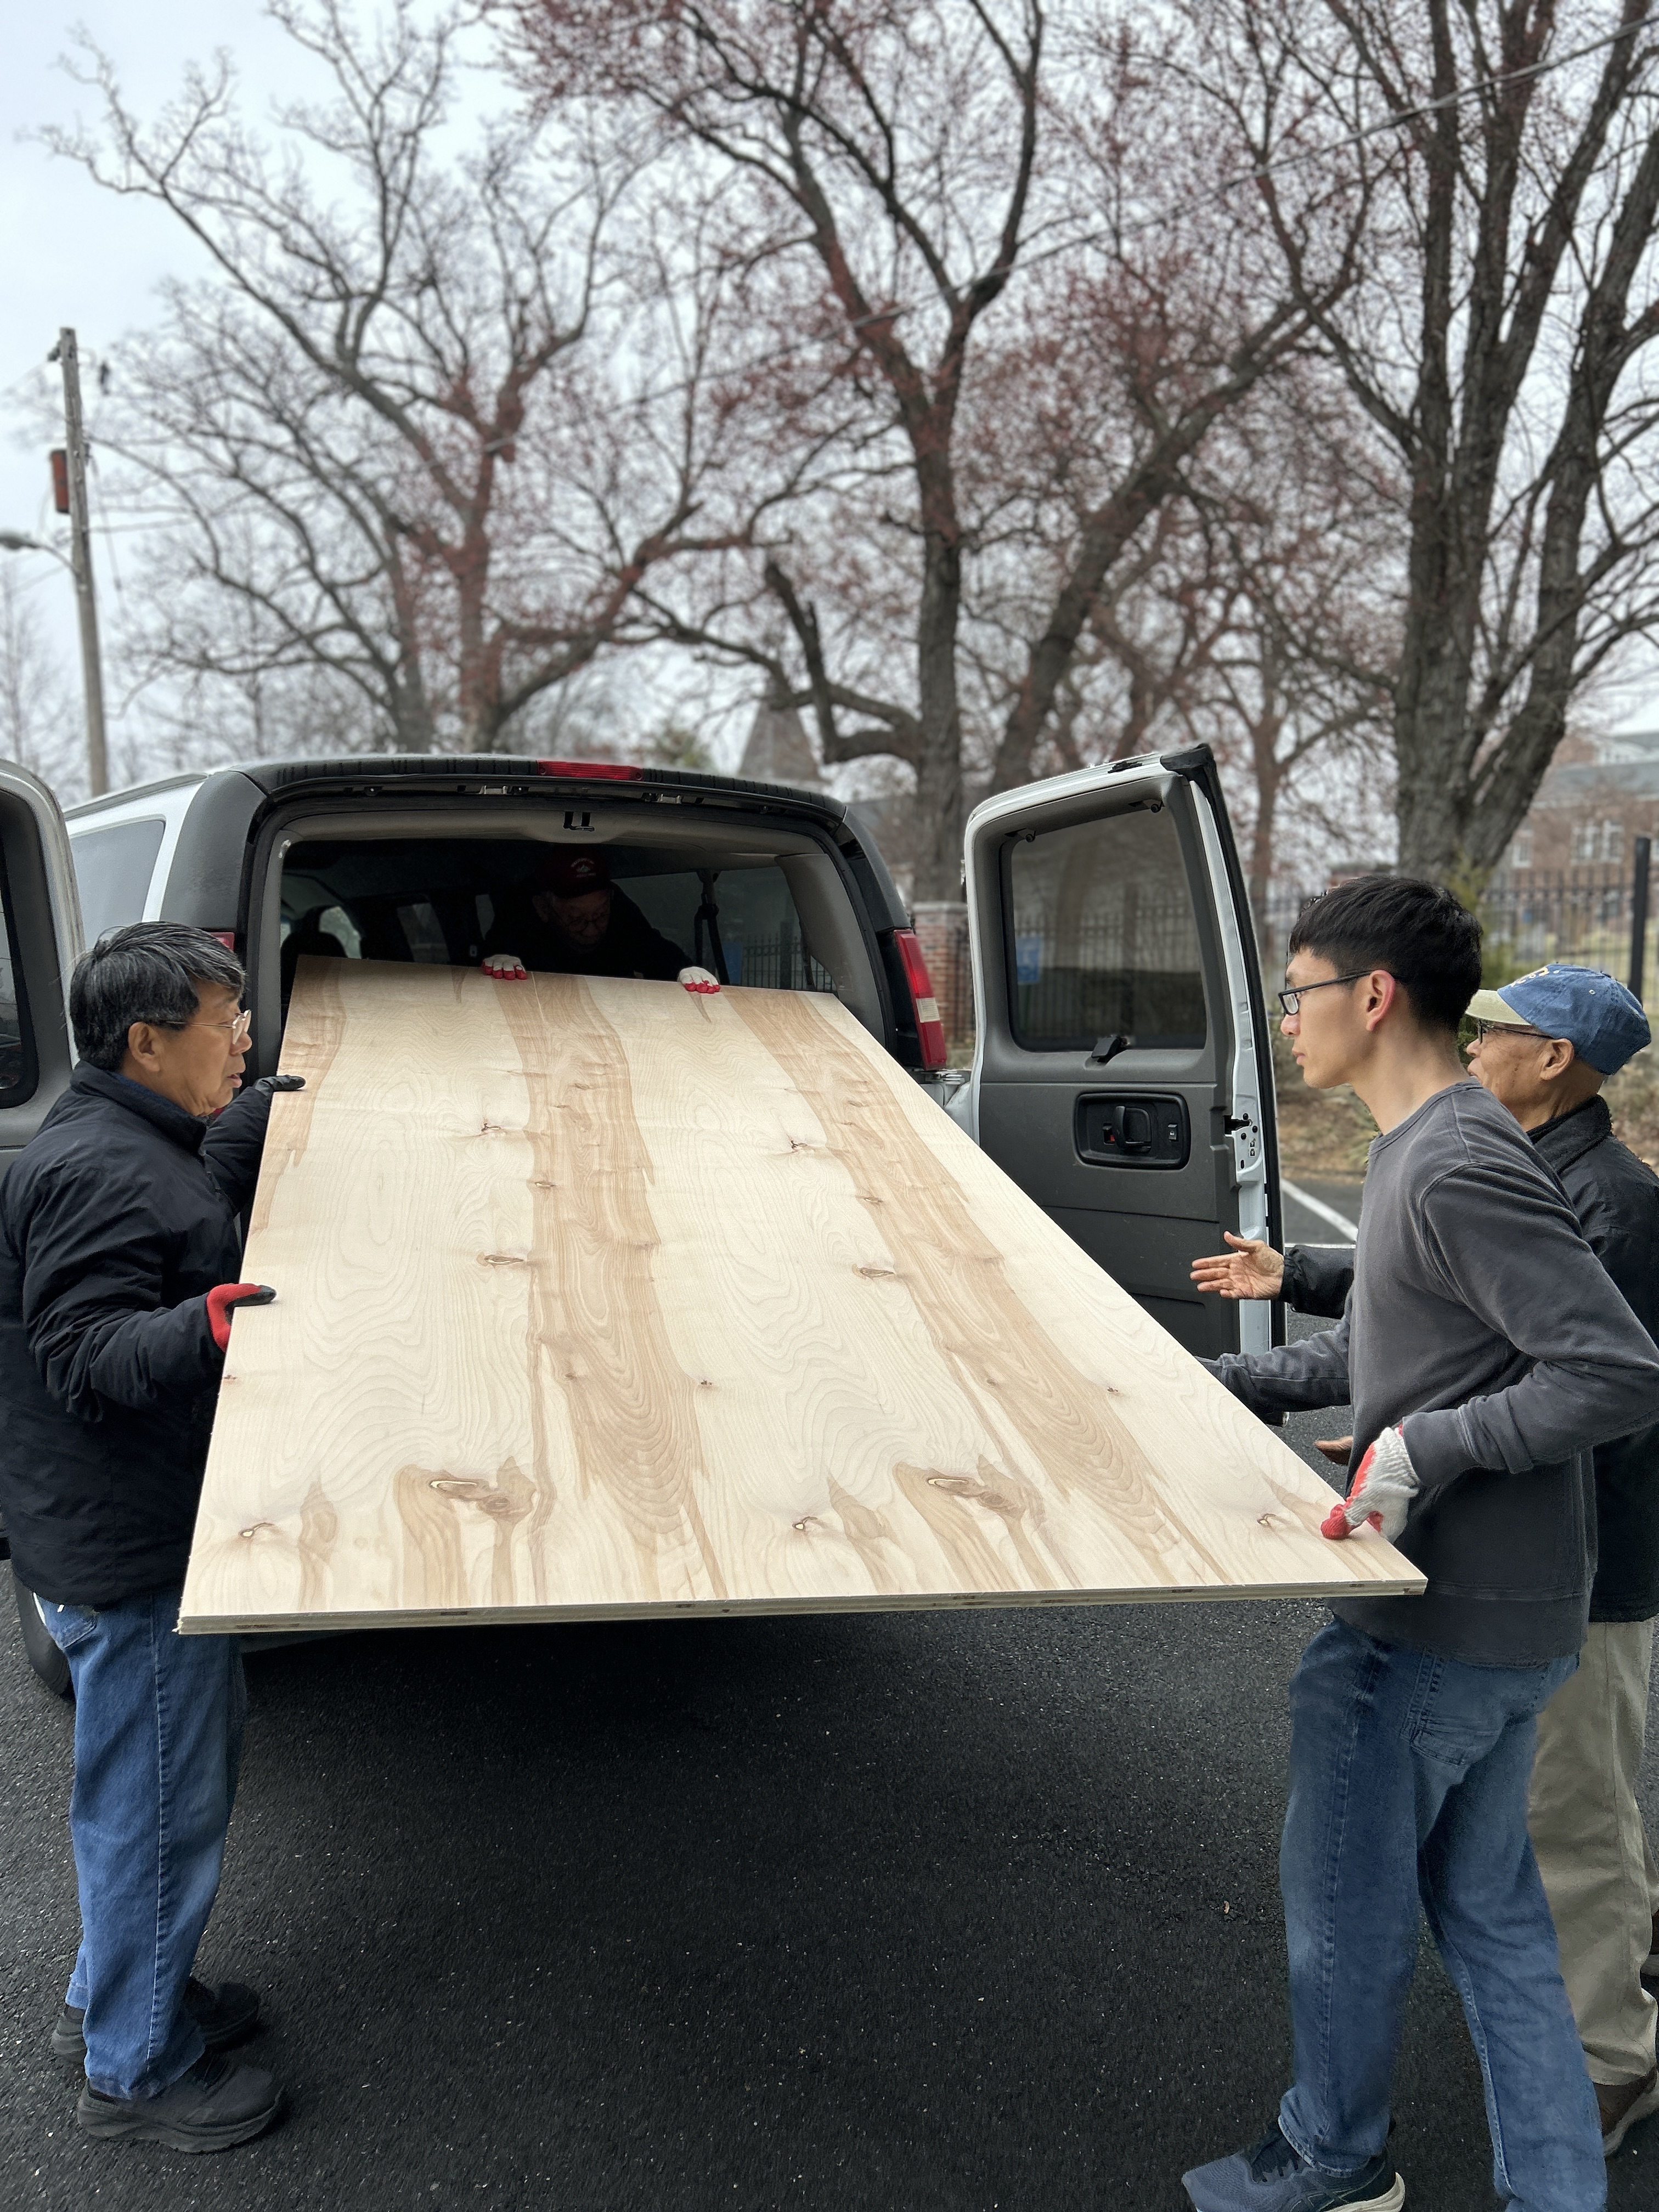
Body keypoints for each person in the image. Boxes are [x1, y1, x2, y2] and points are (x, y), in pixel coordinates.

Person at [1178, 881, 1659, 2212]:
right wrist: (1221, 1387)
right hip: (1504, 1627)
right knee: (1498, 1921)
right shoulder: (1428, 1149)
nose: (1288, 1023)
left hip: (1434, 1627)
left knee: (1344, 1915)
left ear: (1374, 996)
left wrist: (1427, 1450)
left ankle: (1334, 2166)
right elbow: (1395, 1347)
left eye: (1298, 994)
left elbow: (1617, 1372)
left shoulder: (1453, 1159)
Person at [0, 922, 301, 2152]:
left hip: (124, 1526)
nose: (243, 1039)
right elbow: (83, 1355)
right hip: (126, 1552)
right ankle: (134, 2070)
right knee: (158, 1806)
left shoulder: (129, 1133)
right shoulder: (99, 1173)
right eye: (225, 1024)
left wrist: (262, 1111)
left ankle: (120, 1998)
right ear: (144, 1040)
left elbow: (185, 1183)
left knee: (156, 1785)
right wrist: (208, 1326)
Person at [479, 848, 716, 989]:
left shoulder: (621, 912)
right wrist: (500, 959)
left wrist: (684, 970)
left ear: (610, 900)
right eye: (576, 919)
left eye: (601, 916)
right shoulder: (519, 916)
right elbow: (496, 949)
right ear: (543, 909)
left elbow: (654, 949)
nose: (592, 930)